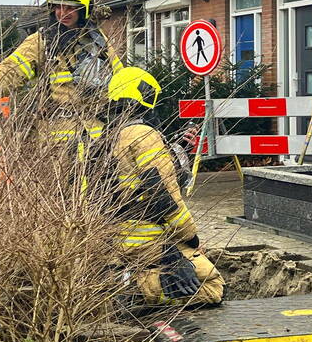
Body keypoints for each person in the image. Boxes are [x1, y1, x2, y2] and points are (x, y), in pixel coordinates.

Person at [86, 66, 223, 306]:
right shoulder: (143, 134)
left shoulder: (104, 137)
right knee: (212, 284)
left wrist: (177, 149)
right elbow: (163, 197)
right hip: (144, 242)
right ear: (146, 98)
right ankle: (133, 290)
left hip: (111, 243)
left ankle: (126, 281)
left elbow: (129, 185)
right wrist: (189, 238)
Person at [0, 0, 122, 145]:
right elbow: (12, 71)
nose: (62, 13)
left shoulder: (98, 41)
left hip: (98, 139)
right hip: (58, 144)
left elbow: (121, 77)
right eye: (58, 7)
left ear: (84, 9)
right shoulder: (42, 41)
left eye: (70, 8)